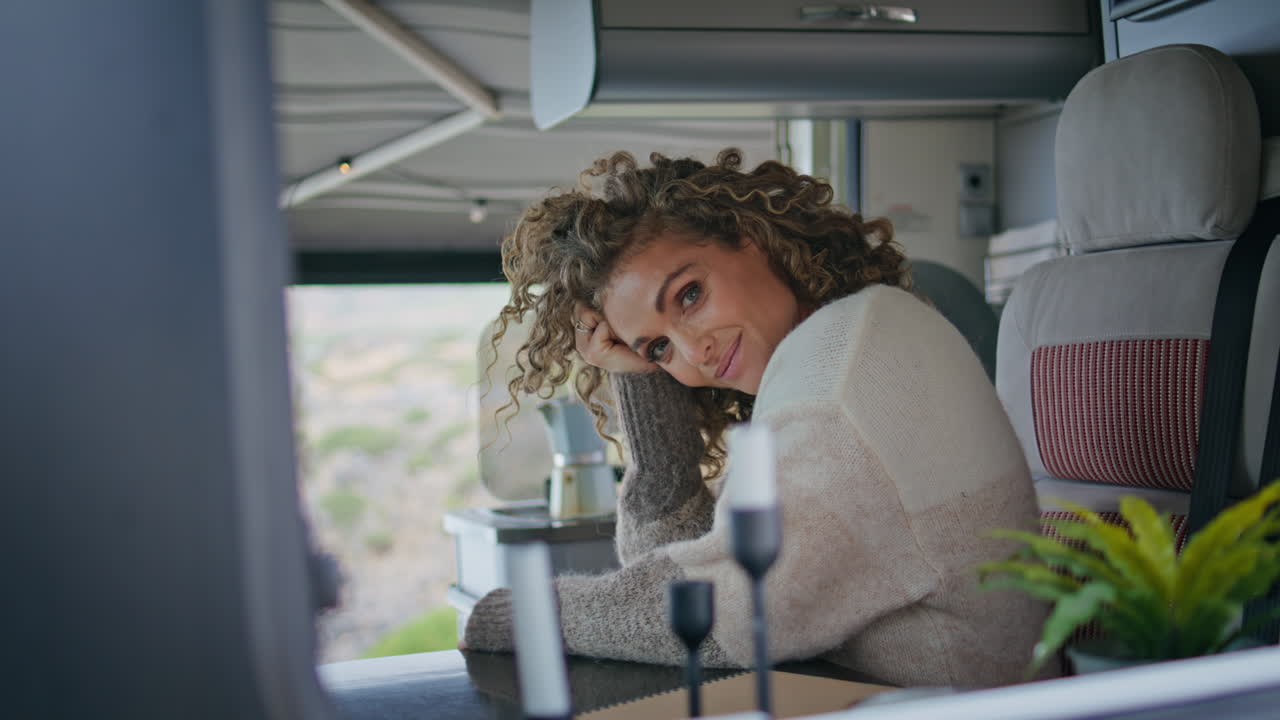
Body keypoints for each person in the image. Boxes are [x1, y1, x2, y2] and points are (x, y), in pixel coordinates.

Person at [462, 149, 1058, 687]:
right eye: (659, 346)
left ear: (751, 238)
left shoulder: (841, 368)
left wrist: (528, 620)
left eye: (689, 295)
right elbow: (679, 559)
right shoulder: (835, 347)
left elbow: (740, 609)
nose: (694, 352)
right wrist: (642, 380)